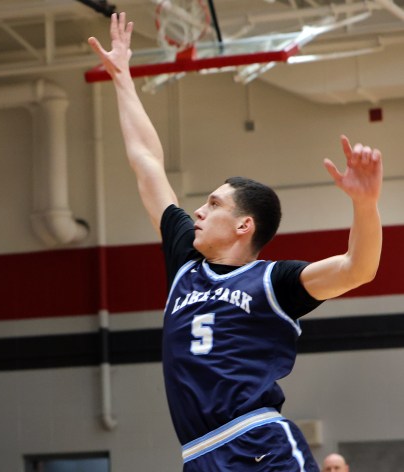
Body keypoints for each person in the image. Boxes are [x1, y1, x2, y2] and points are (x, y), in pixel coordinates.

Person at [88, 13, 382, 472]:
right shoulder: (185, 260)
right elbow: (147, 162)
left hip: (257, 443)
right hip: (200, 455)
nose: (198, 212)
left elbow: (357, 269)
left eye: (213, 204)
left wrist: (365, 205)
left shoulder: (273, 281)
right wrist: (122, 77)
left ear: (245, 225)